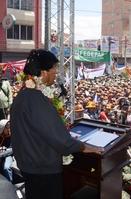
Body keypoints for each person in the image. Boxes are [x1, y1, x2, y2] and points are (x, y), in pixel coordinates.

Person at [10, 49, 101, 199]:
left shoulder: (23, 95)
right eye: (53, 68)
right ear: (44, 72)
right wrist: (85, 147)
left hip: (29, 165)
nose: (55, 73)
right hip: (43, 171)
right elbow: (61, 141)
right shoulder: (37, 100)